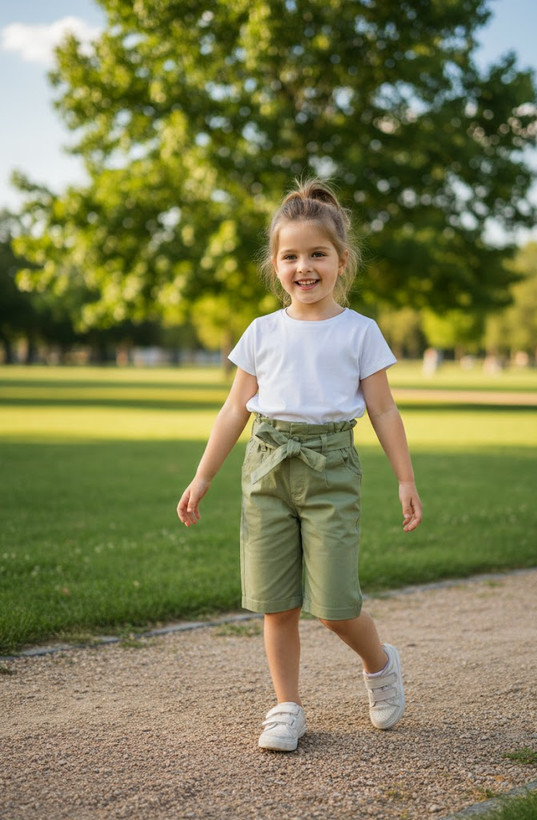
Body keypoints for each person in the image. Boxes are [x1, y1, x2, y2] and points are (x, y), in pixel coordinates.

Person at [177, 179, 423, 752]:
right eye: (290, 256)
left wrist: (406, 479)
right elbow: (234, 408)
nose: (304, 267)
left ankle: (381, 664)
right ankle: (287, 706)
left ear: (343, 261)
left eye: (318, 254)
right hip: (266, 470)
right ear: (275, 264)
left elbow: (383, 410)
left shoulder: (360, 331)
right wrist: (203, 475)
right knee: (277, 602)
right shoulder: (262, 332)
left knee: (335, 607)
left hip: (332, 470)